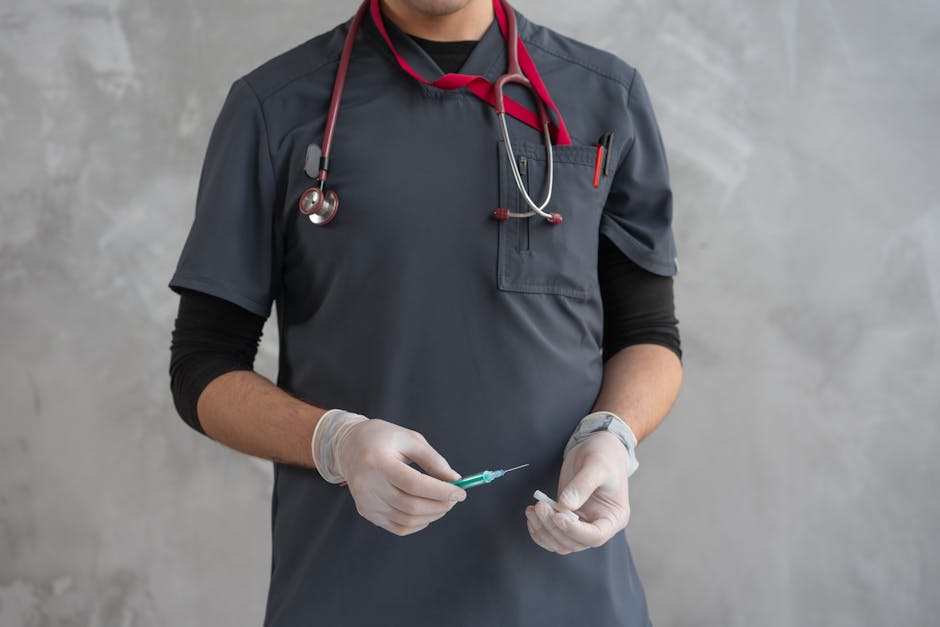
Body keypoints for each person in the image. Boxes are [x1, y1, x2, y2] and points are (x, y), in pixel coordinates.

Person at [168, 0, 682, 625]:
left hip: (569, 597)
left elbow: (649, 334)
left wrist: (613, 436)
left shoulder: (603, 97)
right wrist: (336, 441)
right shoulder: (275, 107)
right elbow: (202, 366)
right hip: (350, 594)